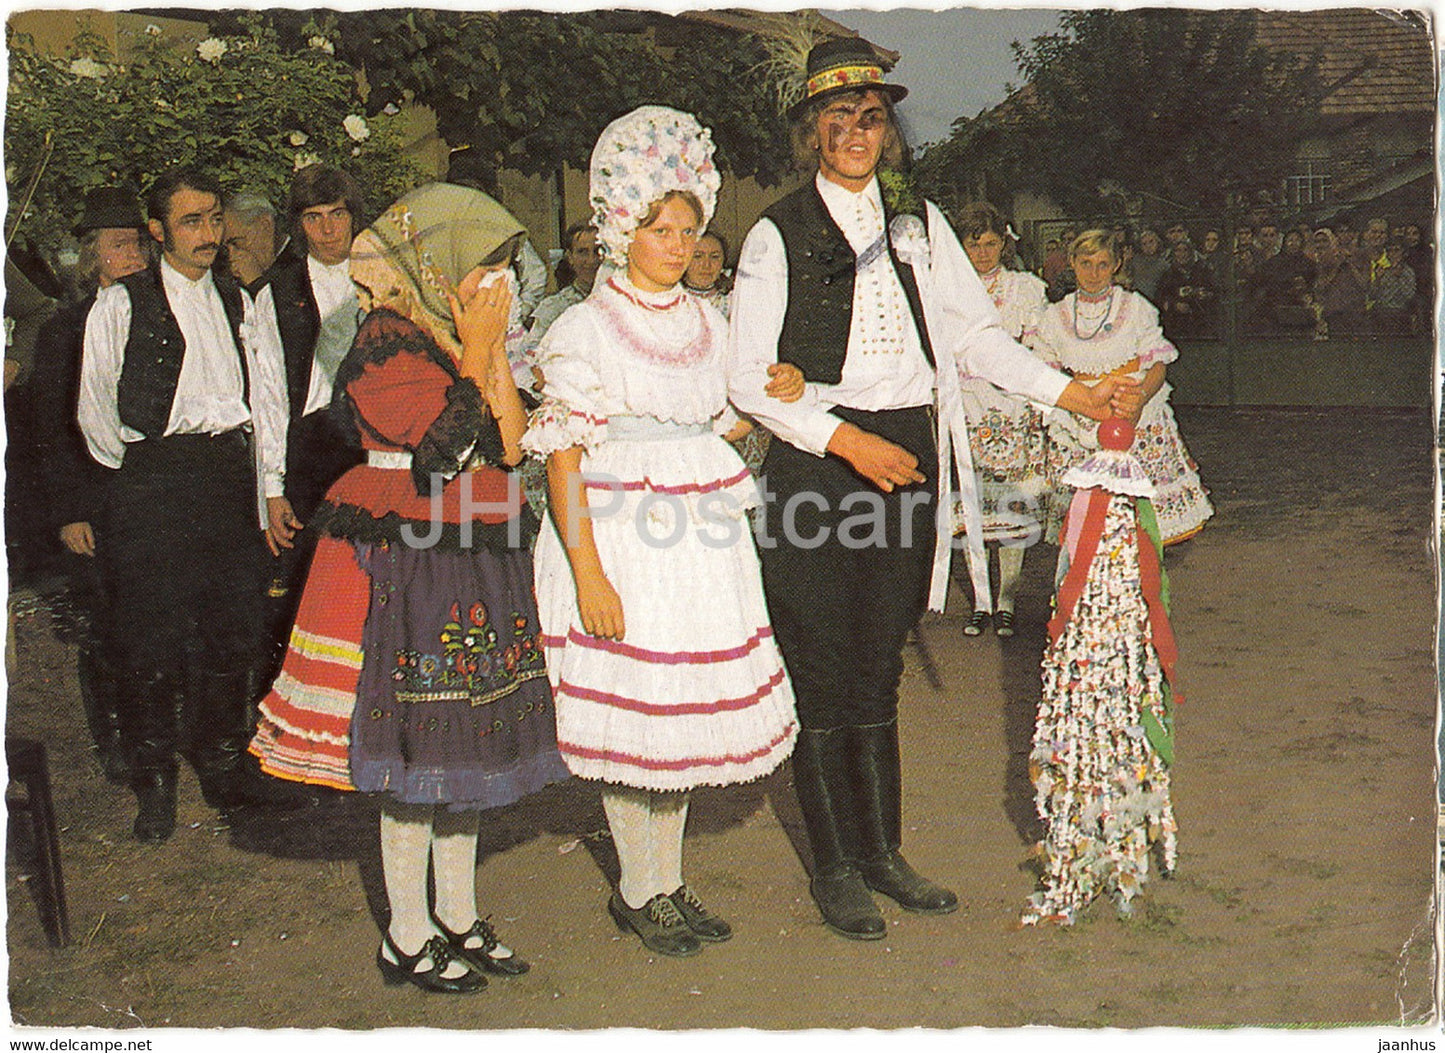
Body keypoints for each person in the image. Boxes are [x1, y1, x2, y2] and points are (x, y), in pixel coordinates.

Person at [727, 39, 1128, 941]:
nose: (854, 132)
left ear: (888, 131)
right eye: (835, 118)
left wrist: (1071, 389)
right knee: (823, 666)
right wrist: (844, 441)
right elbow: (750, 379)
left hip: (908, 452)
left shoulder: (920, 225)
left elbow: (978, 341)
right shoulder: (774, 232)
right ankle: (833, 865)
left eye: (869, 117)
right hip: (819, 461)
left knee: (879, 658)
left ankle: (883, 853)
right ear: (809, 132)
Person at [250, 183, 570, 992]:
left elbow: (507, 446)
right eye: (487, 267)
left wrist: (485, 349)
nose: (501, 282)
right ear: (438, 262)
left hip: (470, 548)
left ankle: (456, 916)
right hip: (407, 553)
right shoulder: (387, 335)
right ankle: (405, 929)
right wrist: (480, 348)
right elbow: (437, 453)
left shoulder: (454, 331)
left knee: (462, 741)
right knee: (415, 746)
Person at [525, 106, 800, 958]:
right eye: (661, 229)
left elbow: (729, 422)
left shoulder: (711, 323)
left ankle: (666, 882)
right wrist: (591, 575)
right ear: (621, 229)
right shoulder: (581, 328)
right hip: (618, 542)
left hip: (699, 548)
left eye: (688, 228)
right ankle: (641, 889)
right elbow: (562, 460)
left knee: (677, 718)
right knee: (634, 721)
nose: (678, 243)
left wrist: (773, 390)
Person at [77, 169, 298, 842]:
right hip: (152, 483)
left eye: (212, 219)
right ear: (157, 232)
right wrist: (142, 478)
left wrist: (271, 487)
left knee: (231, 630)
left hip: (226, 478)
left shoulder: (241, 301)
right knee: (149, 639)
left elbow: (268, 399)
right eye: (190, 223)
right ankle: (154, 781)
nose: (207, 235)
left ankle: (225, 764)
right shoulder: (122, 304)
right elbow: (95, 410)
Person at [31, 187, 149, 783]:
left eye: (139, 243)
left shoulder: (163, 315)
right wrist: (70, 511)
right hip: (95, 504)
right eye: (119, 245)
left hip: (154, 499)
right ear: (91, 257)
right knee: (108, 625)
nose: (134, 255)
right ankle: (116, 741)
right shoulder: (64, 331)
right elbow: (49, 431)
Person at [251, 165, 368, 678]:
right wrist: (272, 488)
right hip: (311, 453)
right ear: (299, 225)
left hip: (376, 447)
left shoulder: (383, 273)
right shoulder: (275, 291)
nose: (327, 229)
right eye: (314, 217)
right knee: (302, 591)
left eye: (337, 215)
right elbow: (270, 395)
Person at [1036, 230, 1214, 546]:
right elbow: (1044, 369)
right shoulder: (1054, 316)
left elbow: (1159, 362)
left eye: (1103, 264)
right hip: (1082, 414)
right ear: (1072, 263)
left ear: (1117, 264)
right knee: (1090, 531)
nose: (1094, 273)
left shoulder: (1135, 307)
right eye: (1086, 263)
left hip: (1135, 411)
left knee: (1142, 525)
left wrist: (1141, 397)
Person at [951, 201, 1054, 638]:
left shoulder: (1025, 289)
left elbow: (1037, 348)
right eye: (973, 245)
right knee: (972, 508)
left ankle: (1007, 600)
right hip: (967, 409)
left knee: (1012, 507)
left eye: (991, 243)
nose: (982, 253)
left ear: (1004, 244)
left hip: (1013, 410)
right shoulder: (949, 292)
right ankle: (980, 601)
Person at [525, 222, 602, 350]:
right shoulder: (553, 308)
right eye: (582, 252)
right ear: (570, 257)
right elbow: (533, 353)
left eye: (597, 251)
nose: (591, 260)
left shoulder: (622, 300)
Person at [222, 191, 284, 292]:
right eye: (225, 248)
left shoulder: (302, 263)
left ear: (265, 225)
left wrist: (255, 282)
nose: (231, 256)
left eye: (236, 243)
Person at [683, 230, 731, 315]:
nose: (706, 265)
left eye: (714, 257)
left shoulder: (733, 301)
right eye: (697, 256)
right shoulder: (668, 300)